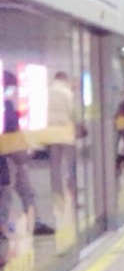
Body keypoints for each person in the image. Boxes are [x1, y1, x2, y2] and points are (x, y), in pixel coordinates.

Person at [2, 71, 55, 237]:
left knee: (26, 191)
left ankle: (34, 222)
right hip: (7, 158)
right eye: (9, 87)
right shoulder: (5, 107)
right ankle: (3, 226)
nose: (12, 91)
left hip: (14, 156)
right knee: (6, 194)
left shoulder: (8, 105)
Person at [44, 70, 76, 203]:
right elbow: (72, 112)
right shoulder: (68, 93)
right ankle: (72, 191)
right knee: (70, 163)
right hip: (66, 131)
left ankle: (58, 194)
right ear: (64, 79)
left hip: (53, 131)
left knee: (55, 165)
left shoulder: (47, 92)